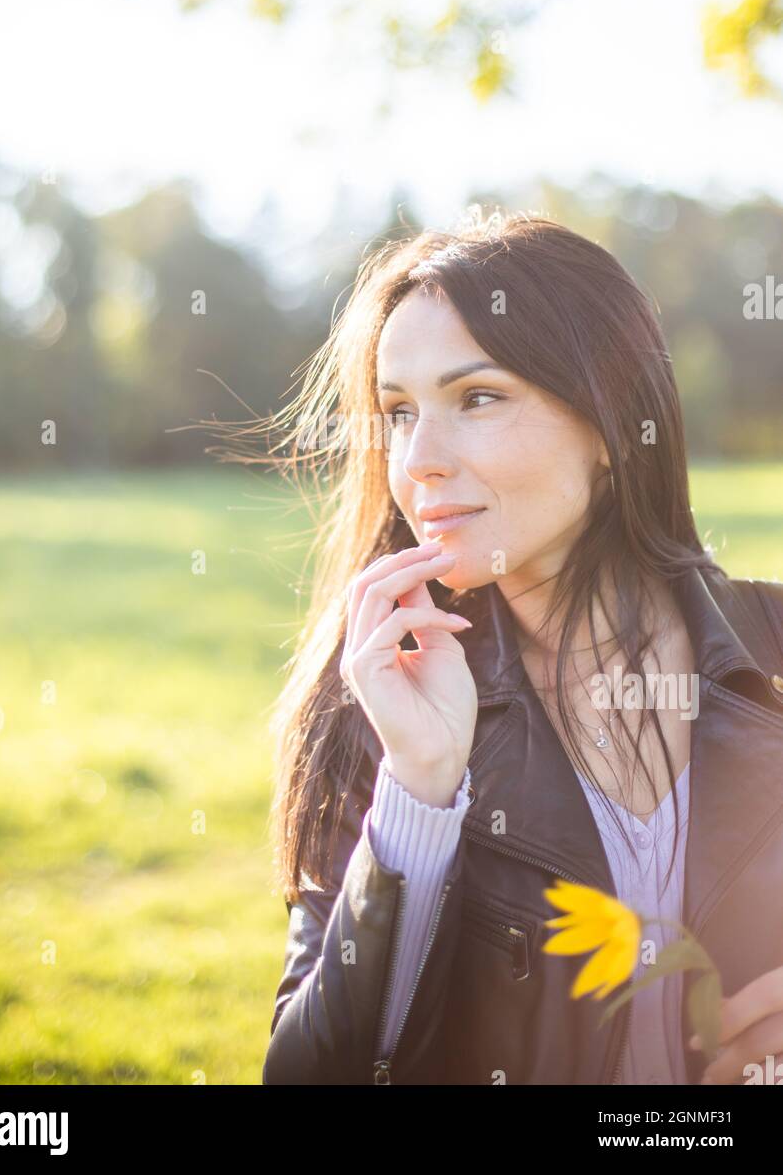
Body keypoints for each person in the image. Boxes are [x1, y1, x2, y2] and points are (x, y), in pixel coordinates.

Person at [256, 208, 783, 1085]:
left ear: (611, 425)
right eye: (397, 411)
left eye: (478, 398)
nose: (417, 458)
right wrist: (420, 791)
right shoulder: (369, 704)